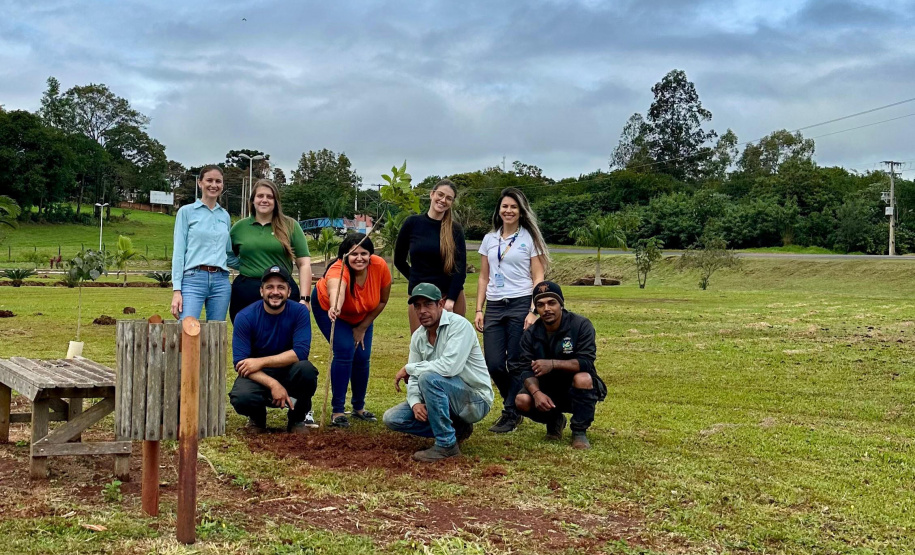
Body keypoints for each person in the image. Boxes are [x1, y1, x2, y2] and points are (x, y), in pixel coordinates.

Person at [383, 283, 494, 462]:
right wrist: (415, 403)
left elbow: (450, 368)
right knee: (393, 418)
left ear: (441, 304)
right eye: (417, 306)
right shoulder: (418, 336)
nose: (422, 311)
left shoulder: (460, 326)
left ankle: (446, 445)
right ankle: (457, 429)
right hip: (445, 396)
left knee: (428, 378)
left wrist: (409, 369)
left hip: (475, 399)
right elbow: (413, 379)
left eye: (428, 304)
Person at [474, 187, 550, 434]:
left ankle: (510, 413)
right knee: (494, 363)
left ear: (521, 211)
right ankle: (517, 403)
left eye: (513, 207)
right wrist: (479, 309)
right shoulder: (489, 239)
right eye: (504, 206)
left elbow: (538, 276)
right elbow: (483, 277)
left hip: (520, 302)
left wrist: (533, 310)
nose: (508, 211)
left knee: (516, 362)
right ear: (499, 210)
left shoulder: (528, 238)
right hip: (495, 305)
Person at [512, 281, 607, 450]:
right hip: (546, 387)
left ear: (561, 304)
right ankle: (554, 420)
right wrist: (537, 393)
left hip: (573, 387)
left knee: (583, 378)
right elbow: (525, 369)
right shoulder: (530, 334)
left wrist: (553, 364)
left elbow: (586, 362)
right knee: (522, 400)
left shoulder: (581, 325)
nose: (546, 309)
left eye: (551, 303)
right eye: (540, 305)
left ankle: (579, 431)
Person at [312, 233, 392, 428]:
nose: (359, 258)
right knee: (345, 350)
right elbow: (336, 288)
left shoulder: (379, 266)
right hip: (329, 310)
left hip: (363, 314)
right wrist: (335, 306)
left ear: (370, 255)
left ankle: (359, 407)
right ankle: (338, 410)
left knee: (363, 356)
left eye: (364, 253)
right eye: (353, 253)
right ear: (345, 255)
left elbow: (382, 301)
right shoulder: (338, 269)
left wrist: (363, 327)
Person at [229, 266, 319, 434]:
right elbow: (240, 363)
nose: (275, 292)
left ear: (289, 291)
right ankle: (257, 419)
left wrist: (260, 361)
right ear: (261, 291)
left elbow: (300, 352)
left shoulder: (300, 312)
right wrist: (273, 384)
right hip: (258, 375)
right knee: (241, 396)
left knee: (306, 371)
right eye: (270, 287)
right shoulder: (245, 316)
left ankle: (297, 420)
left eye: (281, 287)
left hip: (289, 371)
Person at [229, 178, 312, 322]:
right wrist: (243, 266)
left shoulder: (290, 225)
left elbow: (304, 264)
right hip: (246, 292)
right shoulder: (239, 228)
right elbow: (227, 256)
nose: (264, 200)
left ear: (276, 201)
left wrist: (305, 299)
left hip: (280, 291)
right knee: (248, 339)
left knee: (283, 340)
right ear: (253, 200)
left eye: (270, 197)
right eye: (260, 196)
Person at [394, 179, 467, 333]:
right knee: (421, 347)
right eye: (440, 195)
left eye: (448, 198)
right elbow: (399, 260)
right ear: (432, 194)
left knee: (452, 349)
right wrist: (417, 282)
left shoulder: (455, 229)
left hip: (450, 297)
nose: (443, 200)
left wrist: (451, 300)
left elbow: (460, 269)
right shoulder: (412, 223)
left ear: (452, 203)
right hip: (420, 296)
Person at [170, 165, 236, 321]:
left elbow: (228, 253)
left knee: (216, 335)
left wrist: (256, 264)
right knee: (187, 330)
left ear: (222, 185)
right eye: (209, 180)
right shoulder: (186, 212)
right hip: (193, 280)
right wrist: (177, 290)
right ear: (200, 183)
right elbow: (179, 252)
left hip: (221, 281)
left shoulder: (224, 216)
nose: (214, 185)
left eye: (218, 181)